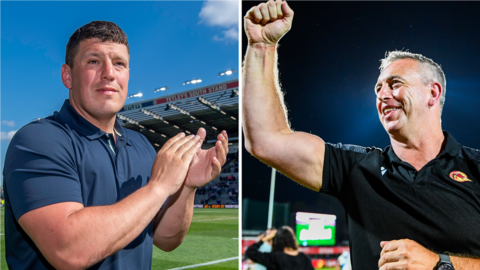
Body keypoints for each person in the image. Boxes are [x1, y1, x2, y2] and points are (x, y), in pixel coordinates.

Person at [243, 1, 480, 269]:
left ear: (432, 93)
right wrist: (261, 47)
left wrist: (441, 264)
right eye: (378, 88)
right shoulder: (357, 168)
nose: (382, 94)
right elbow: (266, 140)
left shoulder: (476, 167)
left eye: (395, 84)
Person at [3, 21, 229, 270]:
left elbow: (166, 239)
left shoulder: (141, 145)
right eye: (93, 61)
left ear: (128, 75)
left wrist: (186, 186)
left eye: (119, 63)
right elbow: (68, 250)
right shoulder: (38, 140)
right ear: (67, 75)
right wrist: (160, 186)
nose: (109, 73)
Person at [246, 226, 314, 270]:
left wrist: (266, 238)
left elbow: (250, 252)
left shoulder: (275, 258)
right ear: (292, 239)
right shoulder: (304, 259)